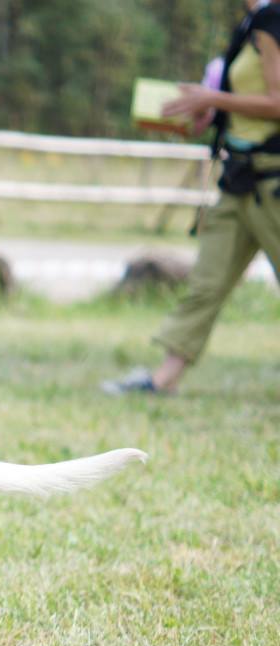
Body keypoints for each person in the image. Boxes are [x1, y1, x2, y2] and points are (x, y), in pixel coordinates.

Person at [104, 0, 280, 395]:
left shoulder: (273, 19)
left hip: (272, 183)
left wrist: (212, 99)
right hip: (239, 180)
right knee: (207, 281)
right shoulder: (252, 23)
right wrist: (209, 115)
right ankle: (165, 379)